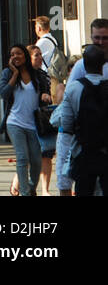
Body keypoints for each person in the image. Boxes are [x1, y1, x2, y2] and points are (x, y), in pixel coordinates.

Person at [0, 43, 52, 197]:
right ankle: (24, 192)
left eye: (18, 53)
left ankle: (30, 188)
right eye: (12, 54)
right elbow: (4, 93)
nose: (15, 57)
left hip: (34, 124)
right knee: (22, 157)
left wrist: (45, 96)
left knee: (36, 161)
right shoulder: (7, 74)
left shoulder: (37, 75)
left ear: (25, 56)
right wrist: (15, 75)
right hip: (14, 122)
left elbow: (45, 93)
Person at [56, 44, 107, 196]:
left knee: (84, 189)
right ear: (103, 64)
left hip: (83, 152)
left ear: (84, 64)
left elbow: (66, 124)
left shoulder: (73, 89)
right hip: (106, 151)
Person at [26, 44, 57, 194]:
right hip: (28, 120)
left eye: (40, 54)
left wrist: (48, 97)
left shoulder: (44, 75)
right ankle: (18, 183)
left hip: (42, 120)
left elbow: (48, 93)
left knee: (46, 155)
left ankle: (45, 189)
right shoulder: (24, 76)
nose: (39, 57)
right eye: (36, 55)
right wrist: (40, 96)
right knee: (29, 156)